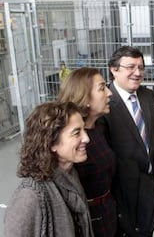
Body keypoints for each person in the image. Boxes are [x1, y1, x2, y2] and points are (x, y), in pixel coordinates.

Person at [99, 46, 154, 237]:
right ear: (114, 69)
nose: (137, 73)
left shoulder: (148, 96)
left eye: (141, 67)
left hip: (150, 185)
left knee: (146, 230)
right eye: (131, 67)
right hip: (121, 190)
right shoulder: (104, 103)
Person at [4, 101, 94, 237]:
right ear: (51, 142)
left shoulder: (71, 175)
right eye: (77, 133)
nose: (86, 138)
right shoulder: (29, 197)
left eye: (84, 130)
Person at [58, 67, 117, 237]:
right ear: (85, 98)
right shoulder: (70, 142)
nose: (109, 93)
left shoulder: (99, 127)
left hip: (107, 215)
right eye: (102, 88)